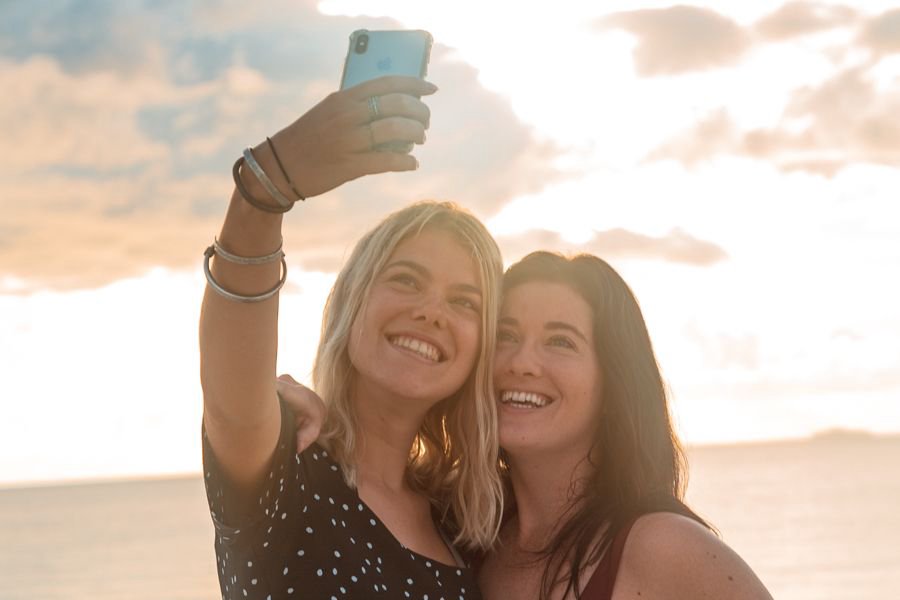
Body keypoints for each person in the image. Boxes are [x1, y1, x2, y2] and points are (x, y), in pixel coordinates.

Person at [280, 251, 773, 599]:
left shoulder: (662, 548)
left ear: (613, 382)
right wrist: (296, 414)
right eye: (505, 337)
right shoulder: (460, 539)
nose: (521, 363)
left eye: (560, 342)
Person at [199, 75, 504, 600]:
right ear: (352, 301)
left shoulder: (465, 526)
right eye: (406, 280)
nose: (431, 313)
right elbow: (233, 396)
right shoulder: (285, 464)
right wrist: (268, 186)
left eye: (464, 302)